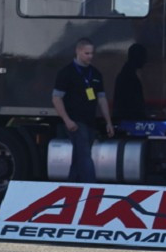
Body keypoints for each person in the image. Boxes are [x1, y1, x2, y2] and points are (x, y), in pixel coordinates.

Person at [51, 37, 114, 182]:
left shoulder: (95, 73)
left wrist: (108, 122)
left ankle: (71, 185)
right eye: (87, 53)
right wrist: (67, 120)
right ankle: (92, 186)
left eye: (92, 53)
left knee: (79, 155)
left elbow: (102, 99)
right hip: (75, 120)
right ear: (78, 52)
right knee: (84, 154)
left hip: (90, 120)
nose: (90, 56)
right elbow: (56, 98)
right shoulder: (66, 73)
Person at [113, 43, 148, 122]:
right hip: (129, 121)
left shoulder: (126, 75)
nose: (145, 61)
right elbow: (134, 105)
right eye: (143, 57)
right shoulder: (129, 78)